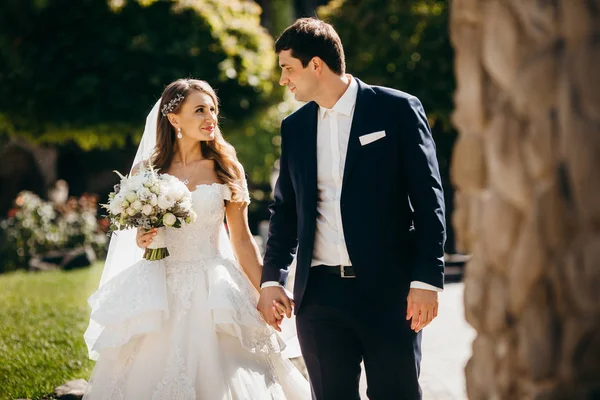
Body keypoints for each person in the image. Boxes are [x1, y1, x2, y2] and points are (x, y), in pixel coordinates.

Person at [83, 79, 310, 399]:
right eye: (200, 110)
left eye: (213, 110)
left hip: (214, 286)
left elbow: (242, 240)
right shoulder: (146, 170)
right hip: (157, 288)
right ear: (174, 118)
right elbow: (138, 235)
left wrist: (268, 289)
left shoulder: (226, 168)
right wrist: (143, 236)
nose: (210, 118)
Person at [257, 18, 446, 400]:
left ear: (316, 65)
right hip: (319, 297)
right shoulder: (294, 127)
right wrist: (272, 279)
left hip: (390, 292)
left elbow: (429, 200)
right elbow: (286, 212)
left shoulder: (396, 109)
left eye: (287, 68)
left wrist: (426, 279)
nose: (283, 80)